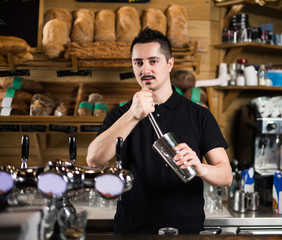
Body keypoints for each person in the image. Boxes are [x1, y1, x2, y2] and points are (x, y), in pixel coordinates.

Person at [86, 27, 232, 235]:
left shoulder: (199, 115)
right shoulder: (120, 115)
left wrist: (200, 168)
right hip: (132, 232)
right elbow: (94, 159)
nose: (145, 70)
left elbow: (226, 175)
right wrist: (133, 115)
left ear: (169, 63)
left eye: (153, 61)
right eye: (138, 63)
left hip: (186, 233)